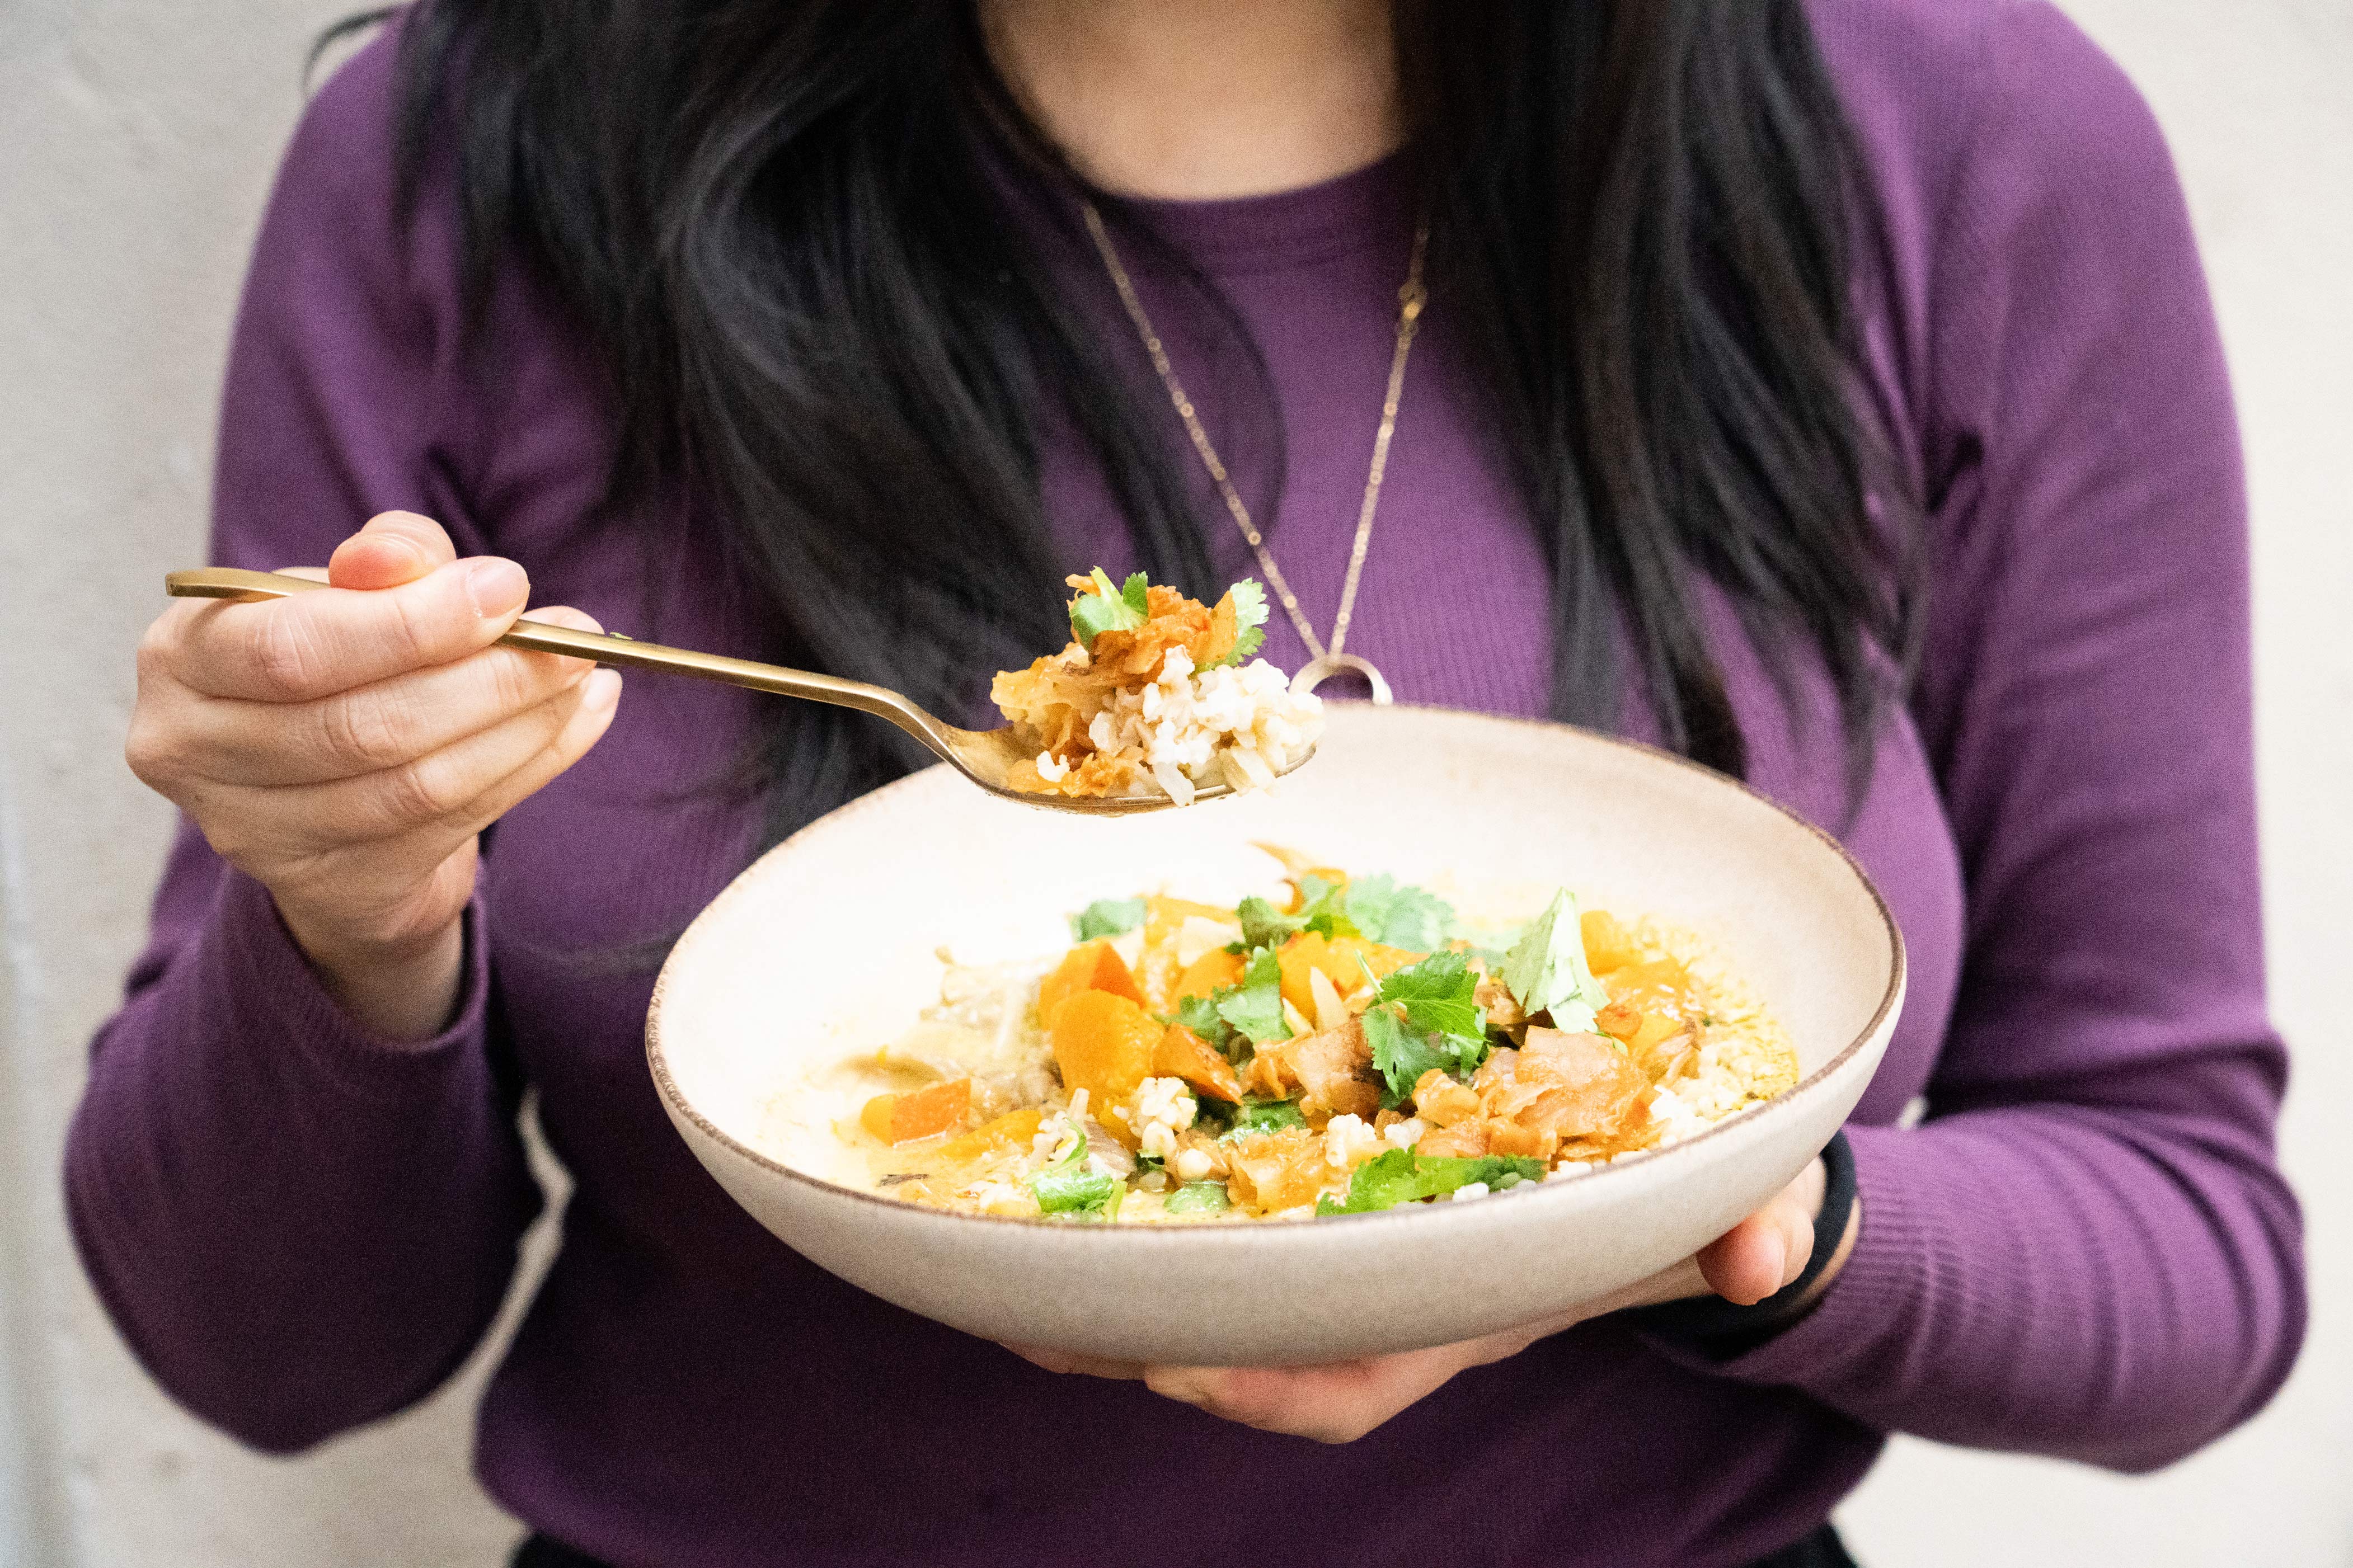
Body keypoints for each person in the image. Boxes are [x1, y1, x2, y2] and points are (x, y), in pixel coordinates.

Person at [70, 1, 2303, 1564]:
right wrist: (347, 914)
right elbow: (262, 1353)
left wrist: (1723, 1222)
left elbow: (2189, 1244)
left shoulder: (1958, 135)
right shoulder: (469, 160)